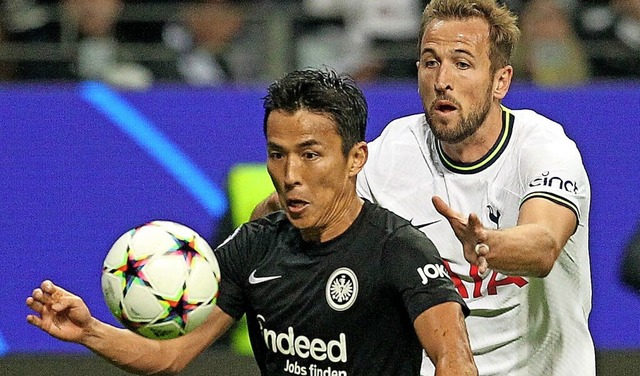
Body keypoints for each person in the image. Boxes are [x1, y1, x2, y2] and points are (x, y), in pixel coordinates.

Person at [26, 68, 478, 376]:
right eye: (277, 155)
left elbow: (455, 360)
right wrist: (89, 330)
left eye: (310, 154)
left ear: (355, 158)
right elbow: (169, 356)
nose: (291, 176)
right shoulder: (254, 246)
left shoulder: (398, 249)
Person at [252, 1, 595, 375]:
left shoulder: (544, 147)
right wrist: (273, 218)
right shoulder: (396, 150)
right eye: (431, 62)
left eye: (462, 64)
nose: (442, 80)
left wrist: (485, 244)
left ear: (501, 81)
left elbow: (544, 245)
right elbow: (320, 206)